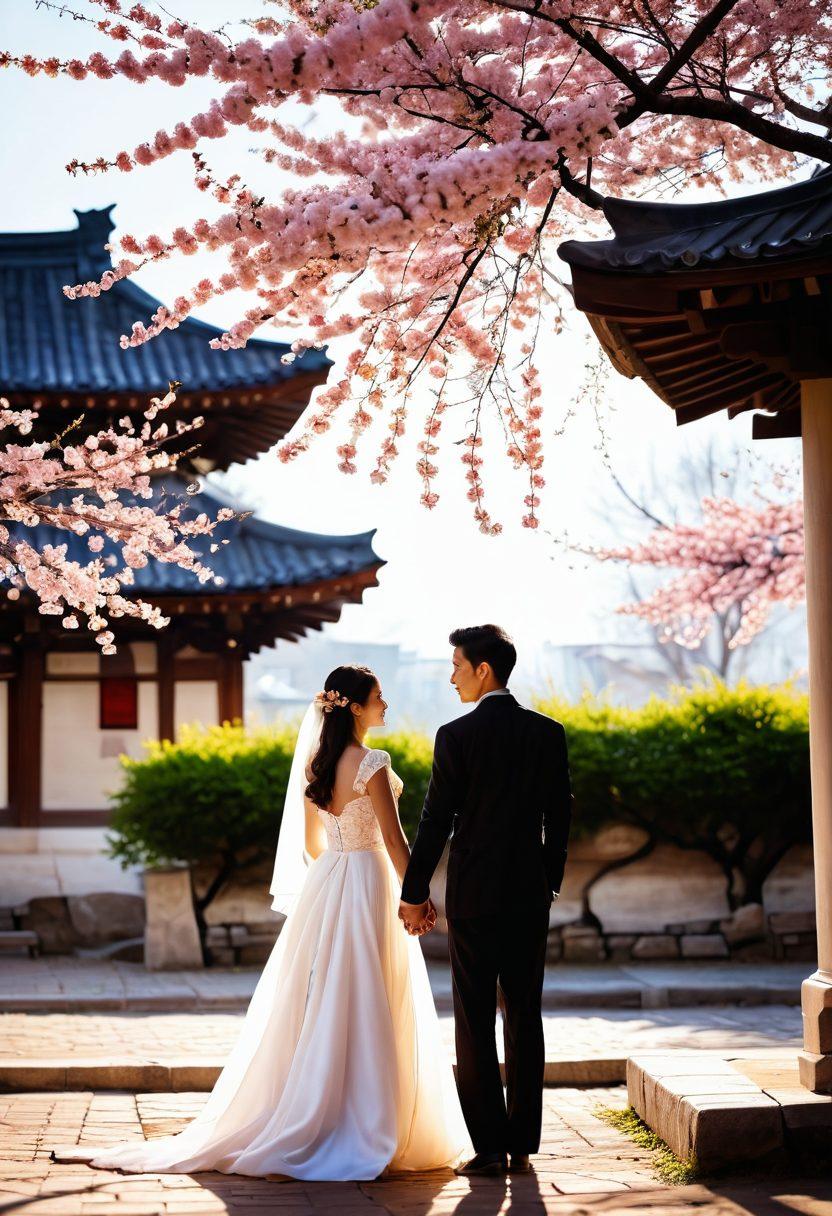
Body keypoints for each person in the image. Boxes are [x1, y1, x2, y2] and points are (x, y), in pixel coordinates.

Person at [55, 665, 468, 1181]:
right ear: (356, 707)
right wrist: (417, 897)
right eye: (379, 698)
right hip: (369, 882)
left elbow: (315, 845)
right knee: (373, 992)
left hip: (332, 881)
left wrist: (343, 867)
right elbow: (393, 840)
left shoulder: (318, 766)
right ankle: (368, 1121)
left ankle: (325, 1111)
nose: (387, 705)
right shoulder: (373, 762)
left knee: (329, 996)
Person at [399, 625, 572, 1178]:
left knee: (473, 1017)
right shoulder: (548, 732)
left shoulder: (455, 736)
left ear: (483, 670)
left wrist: (413, 890)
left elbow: (435, 819)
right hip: (527, 893)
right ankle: (523, 1142)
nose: (451, 677)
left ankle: (490, 1148)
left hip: (473, 893)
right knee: (524, 1011)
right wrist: (548, 879)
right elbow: (560, 815)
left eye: (456, 665)